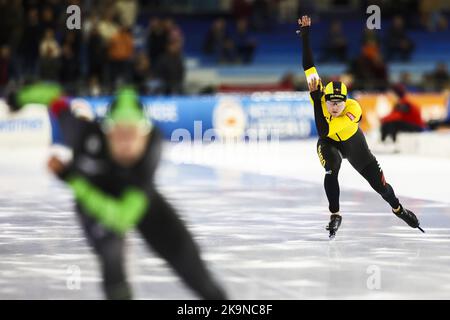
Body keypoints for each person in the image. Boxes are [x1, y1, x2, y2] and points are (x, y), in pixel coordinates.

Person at [46, 88, 227, 300]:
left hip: (129, 200)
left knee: (196, 274)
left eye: (132, 133)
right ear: (107, 132)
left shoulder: (152, 149)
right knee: (112, 259)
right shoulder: (84, 134)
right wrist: (19, 97)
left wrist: (73, 180)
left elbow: (122, 218)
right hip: (96, 204)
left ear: (145, 133)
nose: (126, 142)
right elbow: (53, 99)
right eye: (119, 133)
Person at [297, 15, 424, 238]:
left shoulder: (353, 109)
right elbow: (309, 65)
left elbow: (324, 127)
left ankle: (398, 209)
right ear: (326, 98)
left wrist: (317, 102)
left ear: (346, 102)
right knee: (331, 167)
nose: (334, 107)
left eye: (338, 103)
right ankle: (335, 214)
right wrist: (306, 35)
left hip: (354, 143)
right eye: (330, 102)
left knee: (381, 187)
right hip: (329, 142)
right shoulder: (320, 96)